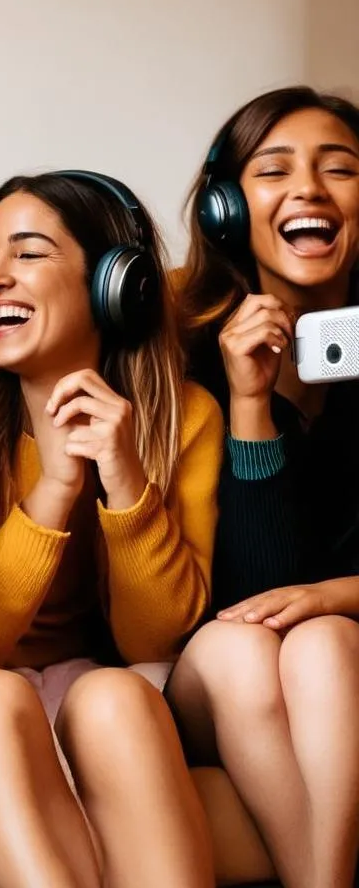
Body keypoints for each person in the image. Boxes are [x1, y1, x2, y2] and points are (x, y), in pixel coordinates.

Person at [0, 171, 221, 887]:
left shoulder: (186, 415)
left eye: (28, 253)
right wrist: (55, 485)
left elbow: (156, 641)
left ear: (114, 285)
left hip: (97, 683)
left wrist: (124, 477)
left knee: (115, 697)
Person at [164, 87, 359, 888]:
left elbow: (303, 606)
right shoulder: (184, 345)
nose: (309, 189)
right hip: (225, 662)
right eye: (273, 171)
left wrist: (336, 597)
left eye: (340, 169)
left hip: (339, 647)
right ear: (223, 209)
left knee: (322, 642)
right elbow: (257, 593)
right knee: (249, 648)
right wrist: (251, 402)